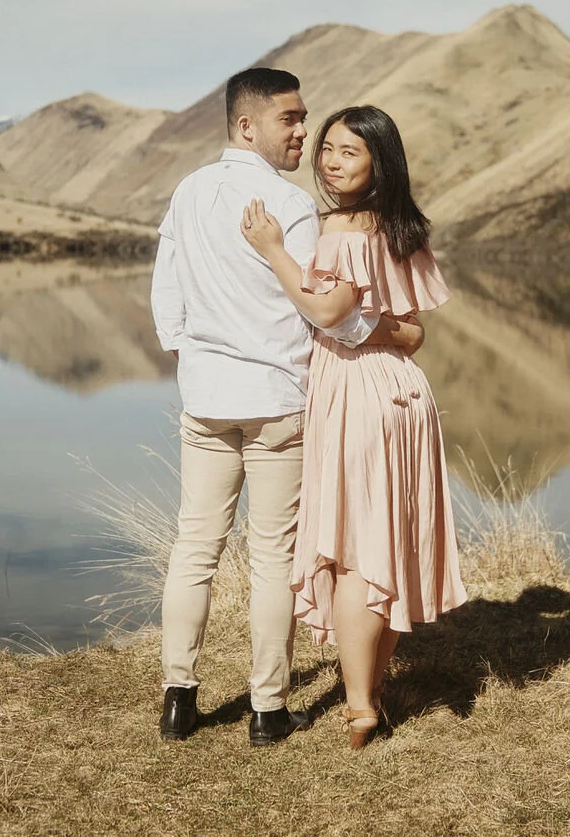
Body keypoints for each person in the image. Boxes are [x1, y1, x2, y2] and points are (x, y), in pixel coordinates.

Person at [150, 69, 426, 747]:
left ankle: (178, 699)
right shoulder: (293, 206)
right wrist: (392, 333)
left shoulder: (187, 192)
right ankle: (268, 709)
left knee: (194, 548)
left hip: (208, 397)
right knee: (272, 556)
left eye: (304, 119)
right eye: (291, 120)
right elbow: (330, 312)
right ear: (248, 125)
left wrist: (184, 353)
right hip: (278, 399)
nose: (304, 132)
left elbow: (166, 285)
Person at [240, 103, 467, 749]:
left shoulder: (338, 232)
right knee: (389, 538)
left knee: (352, 555)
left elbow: (326, 310)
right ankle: (374, 684)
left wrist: (275, 250)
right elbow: (415, 332)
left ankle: (361, 704)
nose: (331, 161)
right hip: (405, 393)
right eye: (329, 149)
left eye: (349, 152)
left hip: (358, 394)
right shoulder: (401, 227)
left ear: (378, 162)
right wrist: (375, 325)